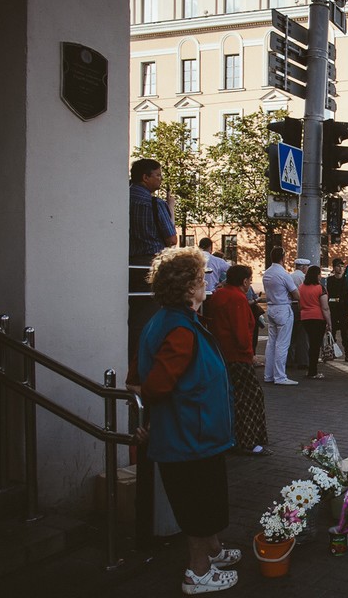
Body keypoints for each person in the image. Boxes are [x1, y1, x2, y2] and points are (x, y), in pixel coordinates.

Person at [126, 247, 239, 595]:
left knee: (206, 501)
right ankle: (198, 572)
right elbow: (154, 385)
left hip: (193, 433)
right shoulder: (179, 329)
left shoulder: (168, 321)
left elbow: (137, 377)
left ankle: (213, 551)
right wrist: (152, 414)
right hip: (191, 436)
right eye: (202, 278)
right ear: (189, 287)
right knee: (199, 506)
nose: (207, 283)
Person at [205, 265, 270, 456]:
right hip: (238, 356)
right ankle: (248, 440)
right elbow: (241, 333)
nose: (250, 283)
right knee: (250, 398)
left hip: (222, 353)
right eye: (249, 280)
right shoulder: (237, 299)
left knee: (233, 397)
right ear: (244, 281)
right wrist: (249, 354)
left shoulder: (219, 295)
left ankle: (233, 437)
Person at [128, 158, 178, 360]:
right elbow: (171, 239)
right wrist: (170, 208)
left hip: (128, 263)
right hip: (151, 263)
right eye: (157, 175)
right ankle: (143, 360)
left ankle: (130, 356)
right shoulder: (155, 204)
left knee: (133, 314)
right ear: (145, 177)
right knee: (150, 313)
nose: (160, 179)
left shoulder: (122, 197)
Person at [262, 246, 300, 386]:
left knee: (271, 343)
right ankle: (280, 376)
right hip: (283, 308)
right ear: (283, 257)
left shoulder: (267, 273)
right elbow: (296, 294)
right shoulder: (284, 274)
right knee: (282, 344)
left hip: (271, 308)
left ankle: (268, 375)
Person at [298, 265, 331, 380]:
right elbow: (325, 307)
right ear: (316, 275)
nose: (321, 276)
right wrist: (329, 322)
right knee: (315, 345)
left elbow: (299, 304)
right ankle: (313, 371)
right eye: (319, 274)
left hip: (305, 317)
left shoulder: (301, 287)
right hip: (318, 318)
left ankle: (310, 369)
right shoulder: (320, 288)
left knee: (311, 343)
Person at [288, 258, 311, 371]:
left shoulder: (290, 277)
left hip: (290, 306)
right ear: (303, 267)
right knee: (302, 335)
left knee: (290, 335)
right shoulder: (304, 278)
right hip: (301, 306)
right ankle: (302, 360)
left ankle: (289, 360)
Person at [326, 259, 348, 361]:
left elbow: (347, 295)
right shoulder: (330, 280)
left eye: (342, 266)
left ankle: (347, 354)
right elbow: (330, 296)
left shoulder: (346, 280)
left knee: (345, 333)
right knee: (332, 332)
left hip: (344, 311)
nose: (340, 268)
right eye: (338, 266)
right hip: (333, 310)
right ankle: (331, 352)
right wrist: (337, 300)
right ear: (333, 268)